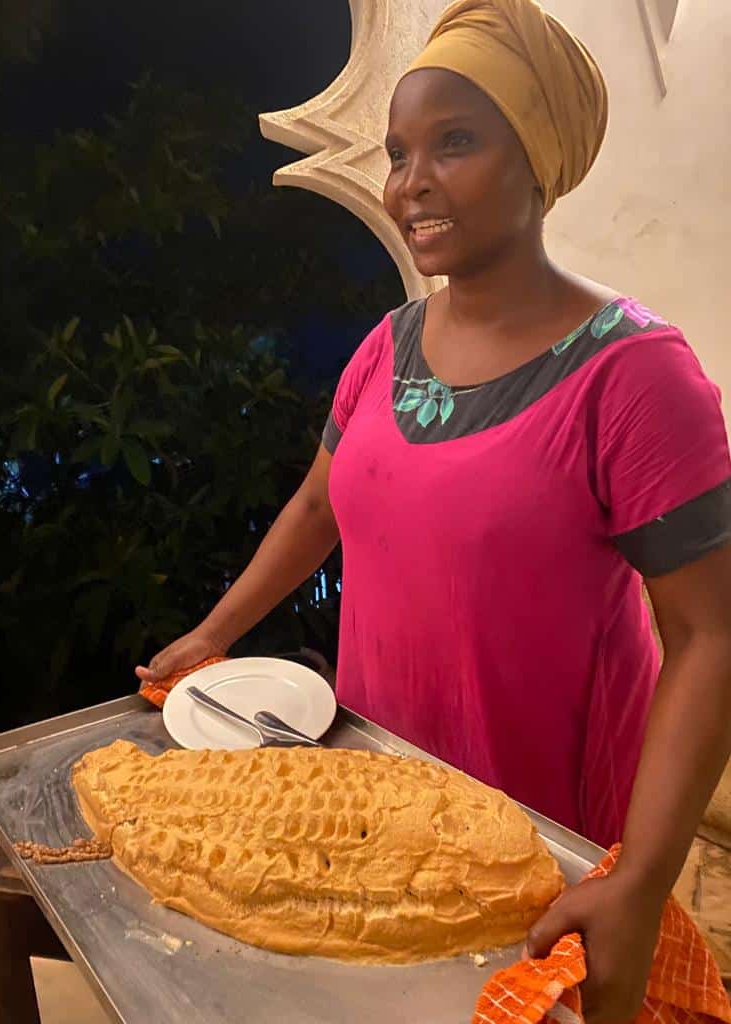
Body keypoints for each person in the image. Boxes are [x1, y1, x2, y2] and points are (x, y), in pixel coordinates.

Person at [136, 1, 731, 1019]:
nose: (410, 181)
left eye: (455, 142)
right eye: (398, 151)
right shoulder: (389, 345)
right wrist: (214, 632)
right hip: (379, 810)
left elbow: (710, 635)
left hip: (542, 847)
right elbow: (318, 502)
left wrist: (636, 879)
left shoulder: (635, 374)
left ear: (539, 157)